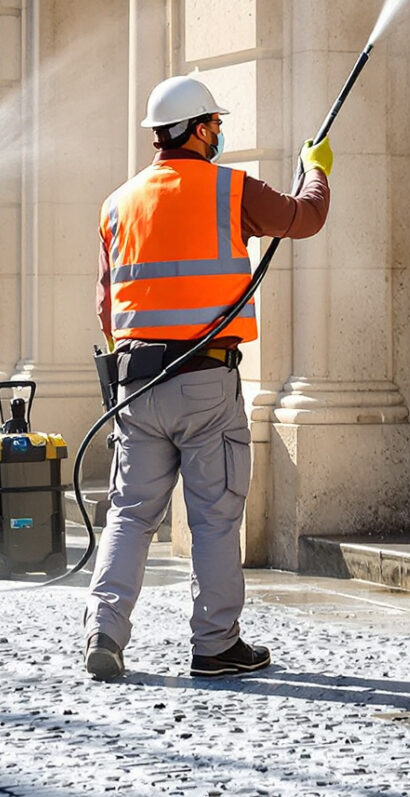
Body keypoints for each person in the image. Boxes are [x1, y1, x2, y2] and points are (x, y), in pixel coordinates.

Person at [85, 75, 331, 682]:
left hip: (135, 384)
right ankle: (216, 645)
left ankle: (103, 634)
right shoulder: (232, 188)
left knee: (129, 515)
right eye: (215, 123)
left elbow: (106, 307)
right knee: (215, 518)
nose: (219, 132)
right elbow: (304, 218)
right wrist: (316, 170)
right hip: (205, 381)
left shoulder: (117, 203)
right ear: (197, 129)